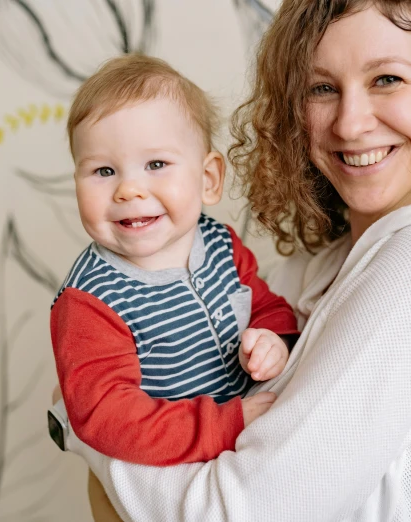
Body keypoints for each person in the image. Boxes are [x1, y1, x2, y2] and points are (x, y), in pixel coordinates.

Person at [57, 1, 411, 520]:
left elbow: (238, 513)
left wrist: (85, 428)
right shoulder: (331, 262)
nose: (351, 123)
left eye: (387, 79)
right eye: (322, 88)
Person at [51, 54, 299, 466]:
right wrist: (223, 425)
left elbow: (265, 305)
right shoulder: (90, 301)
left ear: (208, 179)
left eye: (156, 164)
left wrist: (274, 340)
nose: (129, 189)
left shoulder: (220, 243)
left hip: (250, 432)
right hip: (171, 466)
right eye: (103, 171)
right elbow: (109, 418)